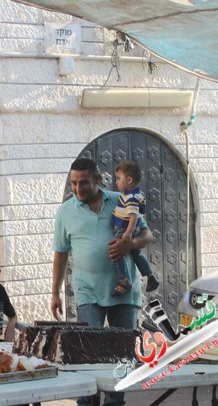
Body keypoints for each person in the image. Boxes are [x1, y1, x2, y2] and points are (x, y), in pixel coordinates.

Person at [51, 158, 153, 406]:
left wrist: (129, 244)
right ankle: (87, 402)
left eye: (83, 182)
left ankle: (115, 402)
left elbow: (147, 235)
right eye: (73, 183)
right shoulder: (65, 211)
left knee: (122, 352)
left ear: (97, 179)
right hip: (87, 292)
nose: (77, 188)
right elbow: (61, 254)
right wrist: (54, 293)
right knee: (86, 352)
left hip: (124, 292)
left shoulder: (121, 200)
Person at [111, 160, 159, 296]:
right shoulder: (136, 194)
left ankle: (123, 280)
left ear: (129, 180)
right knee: (136, 254)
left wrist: (128, 232)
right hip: (130, 229)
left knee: (115, 250)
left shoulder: (131, 197)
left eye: (118, 178)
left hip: (124, 229)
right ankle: (150, 277)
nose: (116, 182)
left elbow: (133, 216)